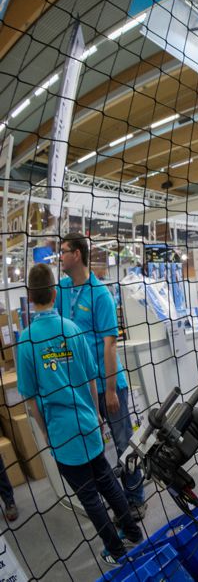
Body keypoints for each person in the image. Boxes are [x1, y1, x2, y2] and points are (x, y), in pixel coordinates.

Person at [19, 264, 143, 564]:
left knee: (89, 497)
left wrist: (46, 432)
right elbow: (91, 379)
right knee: (107, 483)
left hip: (63, 433)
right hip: (88, 424)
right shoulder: (73, 329)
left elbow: (31, 399)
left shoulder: (26, 340)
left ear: (30, 297)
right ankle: (134, 534)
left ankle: (116, 550)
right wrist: (95, 415)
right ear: (53, 292)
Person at [56, 232, 145, 521]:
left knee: (122, 444)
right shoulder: (63, 290)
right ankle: (117, 500)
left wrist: (108, 390)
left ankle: (136, 500)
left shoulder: (100, 294)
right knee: (95, 449)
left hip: (108, 385)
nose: (60, 256)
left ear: (77, 255)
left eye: (64, 251)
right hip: (82, 389)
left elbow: (110, 346)